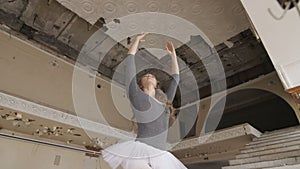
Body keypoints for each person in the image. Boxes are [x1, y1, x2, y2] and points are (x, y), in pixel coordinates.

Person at [102, 33, 187, 169]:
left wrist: (173, 56)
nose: (149, 75)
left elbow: (176, 78)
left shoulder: (166, 102)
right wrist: (136, 41)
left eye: (152, 76)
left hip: (160, 154)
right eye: (146, 75)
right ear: (140, 84)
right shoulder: (136, 95)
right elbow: (130, 62)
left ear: (156, 84)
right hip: (139, 151)